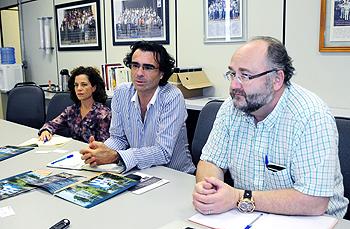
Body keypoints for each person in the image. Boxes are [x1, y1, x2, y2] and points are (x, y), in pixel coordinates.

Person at [192, 36, 348, 218]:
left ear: (277, 79)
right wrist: (209, 191)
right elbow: (210, 162)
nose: (234, 85)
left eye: (245, 76)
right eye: (232, 74)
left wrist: (238, 197)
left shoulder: (311, 116)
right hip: (250, 214)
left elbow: (314, 202)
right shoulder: (232, 106)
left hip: (314, 220)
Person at [80, 41, 195, 174]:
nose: (139, 73)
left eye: (148, 67)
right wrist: (101, 151)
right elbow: (119, 138)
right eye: (135, 65)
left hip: (176, 175)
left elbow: (163, 152)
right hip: (141, 172)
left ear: (162, 73)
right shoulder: (121, 93)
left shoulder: (172, 97)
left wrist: (116, 156)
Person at [38, 66, 111, 143]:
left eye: (84, 84)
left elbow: (104, 145)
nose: (79, 88)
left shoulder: (103, 114)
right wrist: (46, 131)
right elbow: (52, 124)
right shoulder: (72, 110)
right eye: (76, 85)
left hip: (93, 153)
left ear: (94, 88)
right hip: (73, 151)